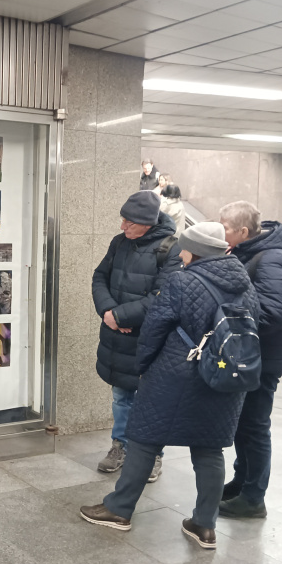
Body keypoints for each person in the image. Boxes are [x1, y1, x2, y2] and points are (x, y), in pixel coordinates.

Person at [81, 223, 260, 549]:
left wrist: (144, 367)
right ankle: (204, 526)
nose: (181, 252)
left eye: (185, 248)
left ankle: (119, 509)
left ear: (195, 251)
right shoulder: (245, 284)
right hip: (223, 379)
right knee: (209, 450)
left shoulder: (182, 281)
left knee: (144, 440)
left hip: (174, 376)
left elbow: (154, 329)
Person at [92, 191, 182, 480]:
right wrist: (108, 311)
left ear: (147, 222)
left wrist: (121, 316)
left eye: (128, 222)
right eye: (122, 220)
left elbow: (163, 297)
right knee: (121, 396)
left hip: (150, 340)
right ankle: (120, 446)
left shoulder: (171, 249)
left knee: (152, 401)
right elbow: (99, 277)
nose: (122, 227)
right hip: (117, 338)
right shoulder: (119, 243)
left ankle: (153, 455)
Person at [218, 201, 282, 519]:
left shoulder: (273, 258)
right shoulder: (244, 252)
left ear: (242, 231)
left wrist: (228, 315)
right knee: (243, 422)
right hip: (250, 353)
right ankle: (243, 481)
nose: (220, 230)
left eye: (224, 226)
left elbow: (274, 313)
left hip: (264, 356)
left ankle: (254, 498)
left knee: (254, 425)